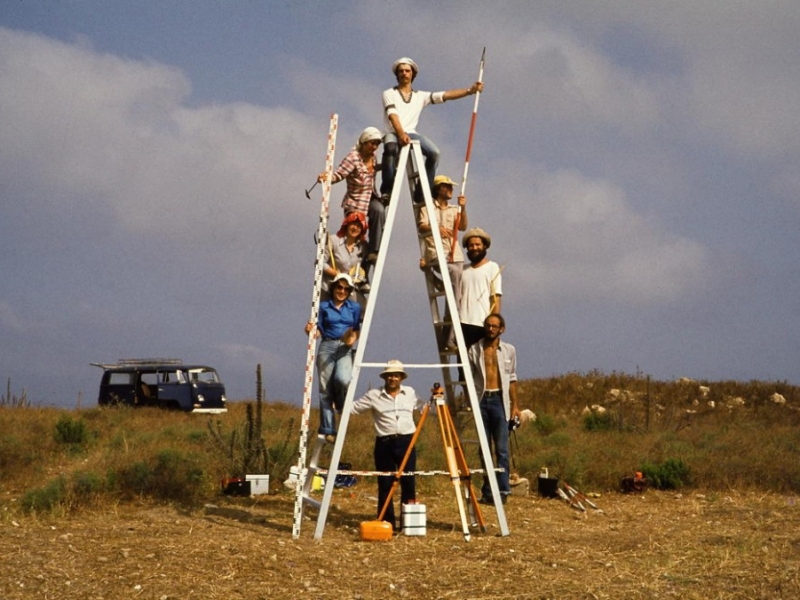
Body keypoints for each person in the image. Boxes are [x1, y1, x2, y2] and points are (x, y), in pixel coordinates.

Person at [380, 57, 484, 202]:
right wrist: (401, 134)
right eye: (401, 71)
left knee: (434, 153)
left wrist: (469, 91)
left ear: (412, 74)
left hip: (410, 133)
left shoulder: (419, 96)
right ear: (397, 74)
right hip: (392, 132)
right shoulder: (389, 93)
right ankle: (387, 190)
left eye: (407, 71)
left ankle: (422, 190)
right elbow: (393, 116)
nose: (404, 73)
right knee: (390, 148)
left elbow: (444, 95)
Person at [351, 360, 426, 531]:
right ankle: (387, 523)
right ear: (385, 377)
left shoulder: (410, 392)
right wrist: (336, 401)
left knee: (408, 482)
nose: (393, 378)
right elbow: (354, 408)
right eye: (390, 375)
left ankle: (409, 524)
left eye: (396, 375)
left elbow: (422, 406)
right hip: (384, 443)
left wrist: (435, 401)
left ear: (401, 378)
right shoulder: (374, 395)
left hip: (407, 441)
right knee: (385, 483)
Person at [468, 313, 520, 505]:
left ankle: (503, 490)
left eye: (495, 326)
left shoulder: (509, 350)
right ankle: (488, 491)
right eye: (488, 326)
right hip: (482, 400)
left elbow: (512, 379)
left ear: (501, 329)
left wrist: (515, 406)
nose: (491, 329)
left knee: (502, 449)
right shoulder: (475, 350)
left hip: (500, 400)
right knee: (484, 449)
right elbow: (469, 377)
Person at [305, 273, 361, 443]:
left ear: (349, 290)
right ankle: (328, 429)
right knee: (324, 389)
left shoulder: (354, 307)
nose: (342, 291)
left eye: (345, 288)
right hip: (327, 346)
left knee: (343, 379)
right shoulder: (323, 306)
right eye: (339, 287)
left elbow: (356, 328)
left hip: (345, 346)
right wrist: (310, 331)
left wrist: (352, 339)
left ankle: (341, 404)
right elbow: (318, 329)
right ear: (333, 288)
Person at [417, 174, 468, 349]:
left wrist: (463, 207)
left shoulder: (454, 209)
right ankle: (449, 338)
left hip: (456, 254)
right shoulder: (428, 207)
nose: (450, 190)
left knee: (456, 297)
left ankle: (448, 338)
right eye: (447, 187)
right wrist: (436, 228)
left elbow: (462, 227)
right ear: (439, 188)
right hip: (437, 253)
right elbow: (421, 225)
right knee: (455, 287)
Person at [319, 126, 384, 260]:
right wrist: (327, 178)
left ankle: (374, 250)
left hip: (369, 197)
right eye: (372, 143)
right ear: (364, 142)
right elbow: (339, 174)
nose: (375, 147)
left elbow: (374, 169)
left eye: (377, 144)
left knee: (379, 210)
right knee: (355, 236)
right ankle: (347, 263)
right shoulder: (353, 158)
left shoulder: (374, 157)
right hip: (355, 203)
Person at [460, 227, 502, 348]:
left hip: (482, 324)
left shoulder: (492, 267)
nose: (474, 248)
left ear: (484, 246)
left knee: (481, 363)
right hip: (462, 323)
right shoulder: (463, 269)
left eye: (478, 245)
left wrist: (493, 325)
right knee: (464, 364)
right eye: (471, 245)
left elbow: (496, 298)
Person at [322, 212, 369, 301]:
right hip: (328, 289)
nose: (355, 228)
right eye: (353, 224)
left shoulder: (363, 247)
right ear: (347, 225)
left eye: (359, 226)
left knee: (361, 308)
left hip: (347, 291)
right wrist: (337, 274)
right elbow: (321, 263)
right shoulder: (333, 240)